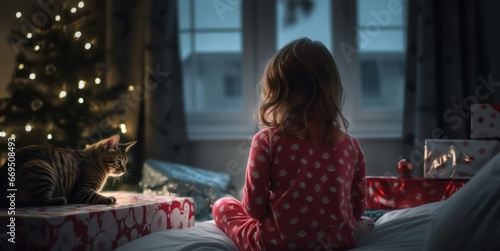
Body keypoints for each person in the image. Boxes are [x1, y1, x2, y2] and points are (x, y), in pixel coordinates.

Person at [212, 37, 367, 251]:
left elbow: (253, 210)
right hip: (338, 240)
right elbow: (358, 209)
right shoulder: (351, 145)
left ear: (278, 94)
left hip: (276, 244)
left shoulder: (267, 141)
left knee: (223, 205)